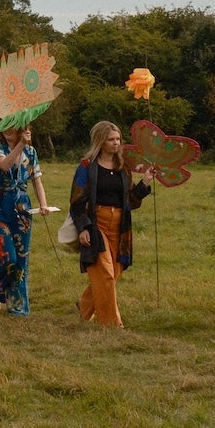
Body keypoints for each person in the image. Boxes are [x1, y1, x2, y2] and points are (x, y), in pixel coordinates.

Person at [70, 120, 152, 328]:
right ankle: (112, 325)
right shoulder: (87, 167)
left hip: (120, 226)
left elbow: (131, 202)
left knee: (113, 273)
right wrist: (83, 228)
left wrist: (145, 183)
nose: (116, 143)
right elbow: (77, 200)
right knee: (105, 273)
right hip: (97, 223)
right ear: (101, 141)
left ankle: (86, 305)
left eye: (118, 139)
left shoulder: (124, 168)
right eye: (111, 139)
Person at [0, 124, 48, 315]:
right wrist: (20, 144)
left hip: (23, 208)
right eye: (4, 124)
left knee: (21, 258)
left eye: (12, 125)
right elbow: (4, 165)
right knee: (7, 257)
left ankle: (18, 307)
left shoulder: (31, 151)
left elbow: (36, 180)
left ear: (22, 126)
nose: (8, 129)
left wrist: (43, 204)